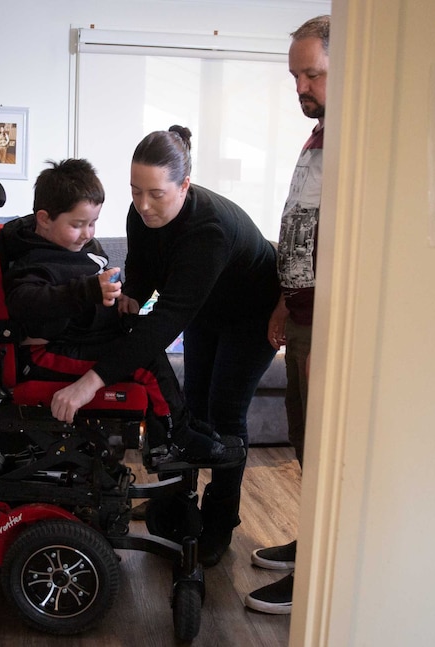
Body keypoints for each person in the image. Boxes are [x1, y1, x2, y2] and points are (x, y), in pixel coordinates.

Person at [47, 132, 280, 567]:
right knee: (189, 409)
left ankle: (219, 521)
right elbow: (144, 264)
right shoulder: (143, 212)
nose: (143, 204)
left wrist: (88, 383)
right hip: (208, 309)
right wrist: (133, 292)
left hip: (252, 314)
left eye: (156, 194)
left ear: (185, 186)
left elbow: (164, 324)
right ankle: (174, 505)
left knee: (225, 414)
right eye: (135, 191)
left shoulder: (207, 230)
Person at [1, 158, 246, 469]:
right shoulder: (34, 258)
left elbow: (103, 286)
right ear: (45, 219)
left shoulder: (82, 247)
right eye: (77, 225)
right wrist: (89, 291)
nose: (87, 233)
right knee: (146, 362)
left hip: (85, 338)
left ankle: (181, 428)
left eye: (92, 223)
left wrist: (120, 302)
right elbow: (25, 301)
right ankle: (174, 442)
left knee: (147, 345)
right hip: (48, 352)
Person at [244, 14, 330, 615]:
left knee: (327, 447)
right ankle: (313, 545)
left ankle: (321, 574)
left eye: (313, 74)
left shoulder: (358, 138)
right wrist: (282, 297)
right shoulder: (320, 135)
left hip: (331, 322)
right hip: (300, 313)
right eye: (296, 75)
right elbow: (302, 229)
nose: (301, 86)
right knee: (305, 443)